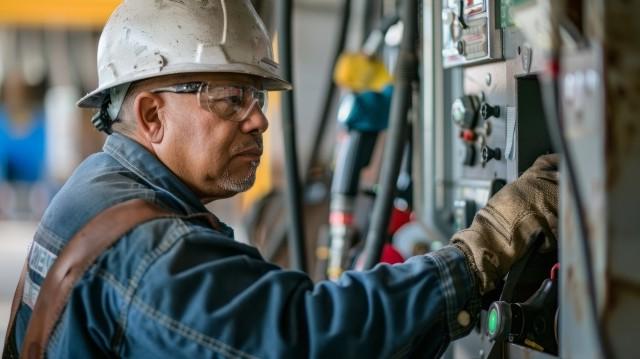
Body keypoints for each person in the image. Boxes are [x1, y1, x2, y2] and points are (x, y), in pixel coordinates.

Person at [4, 0, 558, 358]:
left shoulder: (101, 185)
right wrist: (478, 251)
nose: (259, 118)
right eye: (231, 98)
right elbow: (306, 338)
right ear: (151, 116)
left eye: (258, 96)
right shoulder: (151, 250)